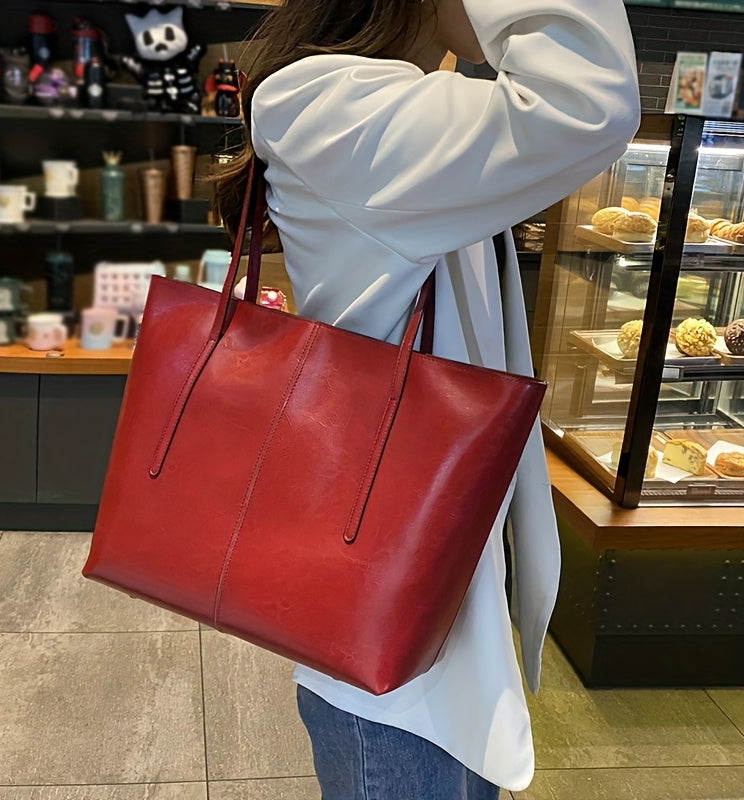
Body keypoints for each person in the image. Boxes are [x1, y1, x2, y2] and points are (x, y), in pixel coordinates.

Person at [216, 1, 640, 797]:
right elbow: (585, 101)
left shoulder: (401, 110)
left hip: (424, 596)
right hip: (395, 649)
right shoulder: (334, 104)